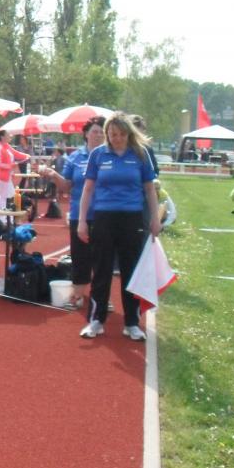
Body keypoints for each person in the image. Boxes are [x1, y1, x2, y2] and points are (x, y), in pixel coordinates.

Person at [77, 112, 160, 341]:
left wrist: (155, 218)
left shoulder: (140, 154)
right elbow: (88, 189)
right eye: (113, 134)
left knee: (130, 270)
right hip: (104, 217)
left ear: (129, 133)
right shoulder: (98, 154)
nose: (117, 138)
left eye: (122, 134)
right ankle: (96, 320)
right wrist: (82, 221)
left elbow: (150, 189)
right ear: (107, 134)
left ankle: (132, 323)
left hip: (131, 218)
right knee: (101, 269)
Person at [39, 116, 105, 309]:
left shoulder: (110, 155)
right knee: (80, 256)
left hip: (104, 214)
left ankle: (101, 297)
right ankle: (78, 295)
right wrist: (53, 175)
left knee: (103, 258)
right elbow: (66, 186)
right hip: (80, 215)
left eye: (102, 132)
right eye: (95, 131)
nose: (99, 135)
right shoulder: (75, 157)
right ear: (86, 134)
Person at [0, 129, 29, 209]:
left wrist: (26, 156)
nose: (10, 136)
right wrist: (11, 165)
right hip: (2, 176)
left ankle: (2, 214)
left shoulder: (6, 146)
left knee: (3, 197)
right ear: (2, 137)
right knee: (8, 196)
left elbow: (16, 153)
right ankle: (4, 213)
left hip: (6, 176)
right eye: (7, 135)